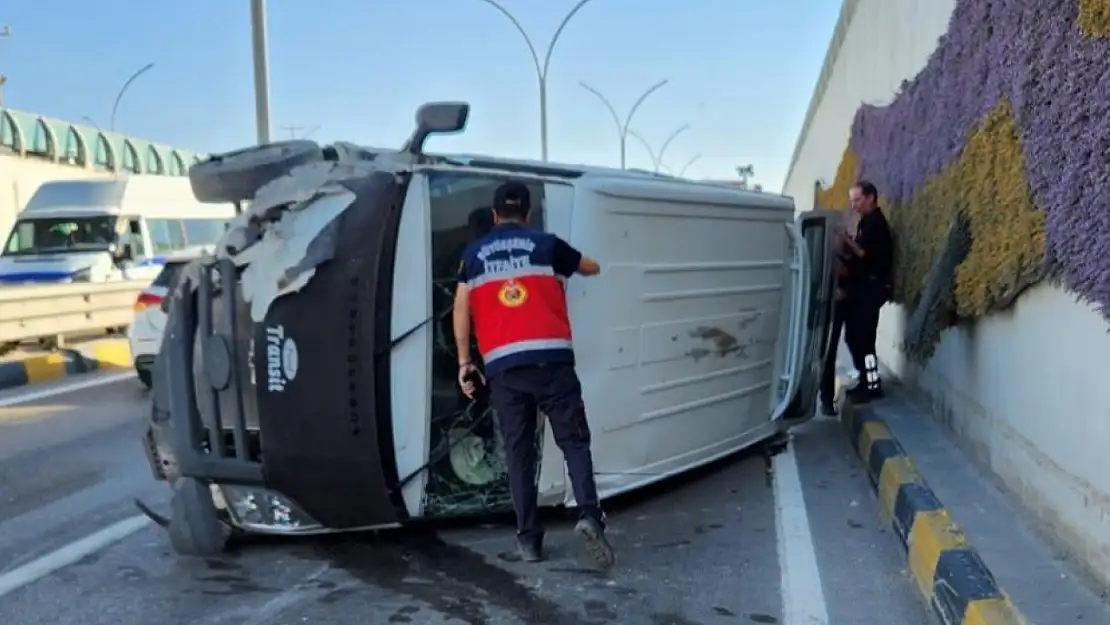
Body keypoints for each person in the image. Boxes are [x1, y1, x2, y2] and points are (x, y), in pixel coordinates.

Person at [452, 181, 615, 567]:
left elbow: (461, 307)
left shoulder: (473, 255)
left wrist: (464, 362)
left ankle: (529, 541)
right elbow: (591, 267)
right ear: (527, 214)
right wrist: (569, 268)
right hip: (553, 362)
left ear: (494, 215)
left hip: (504, 368)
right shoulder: (545, 245)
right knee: (573, 442)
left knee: (519, 454)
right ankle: (589, 516)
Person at [841, 180, 893, 403]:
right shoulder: (865, 222)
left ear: (870, 197)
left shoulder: (875, 223)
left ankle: (872, 385)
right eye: (852, 201)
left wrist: (845, 239)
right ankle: (864, 379)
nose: (854, 205)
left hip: (872, 288)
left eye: (857, 200)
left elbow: (863, 253)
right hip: (863, 288)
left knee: (864, 338)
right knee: (854, 336)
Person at [819, 208, 859, 416]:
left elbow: (860, 267)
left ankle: (864, 382)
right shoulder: (825, 253)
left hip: (850, 304)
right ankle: (826, 399)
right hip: (831, 306)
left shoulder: (850, 247)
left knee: (855, 341)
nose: (842, 231)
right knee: (829, 350)